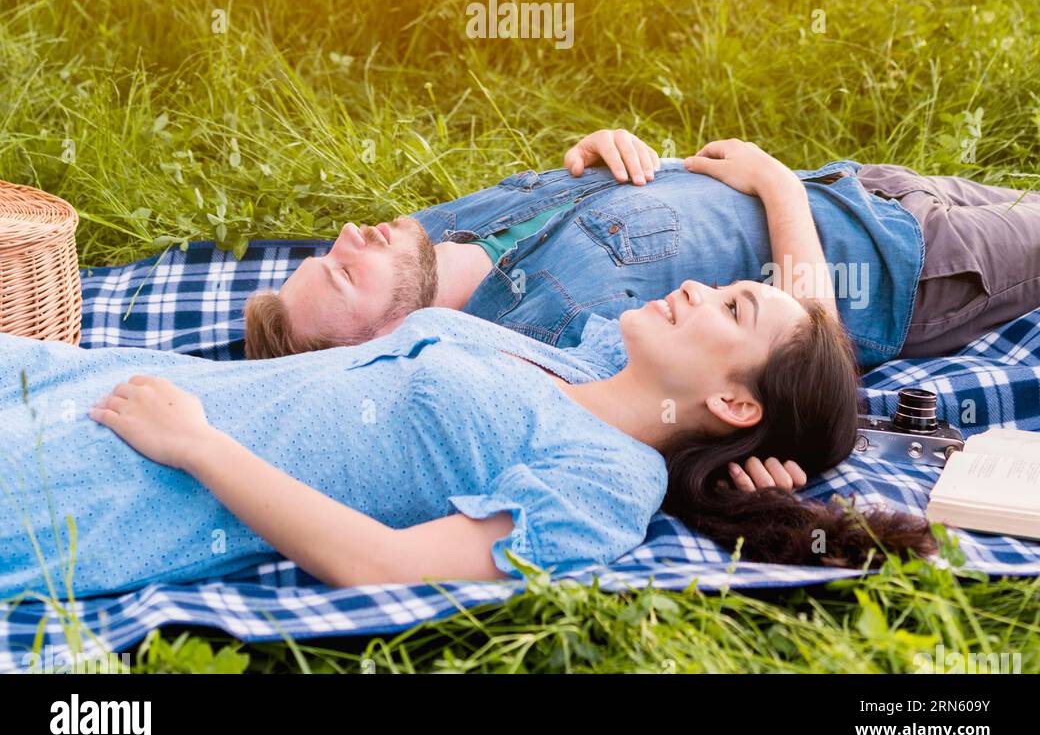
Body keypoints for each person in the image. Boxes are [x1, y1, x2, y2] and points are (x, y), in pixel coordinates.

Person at [0, 272, 933, 602]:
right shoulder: (590, 363)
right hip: (104, 385)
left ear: (735, 406)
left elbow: (385, 566)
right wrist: (755, 483)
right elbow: (808, 361)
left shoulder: (607, 481)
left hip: (120, 481)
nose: (697, 288)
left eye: (730, 305)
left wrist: (199, 447)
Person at [246, 131, 1040, 376]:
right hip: (917, 263)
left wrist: (616, 153)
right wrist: (774, 187)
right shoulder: (550, 339)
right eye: (345, 272)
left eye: (327, 251)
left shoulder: (429, 236)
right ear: (389, 338)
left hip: (859, 184)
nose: (351, 236)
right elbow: (807, 350)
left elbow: (618, 211)